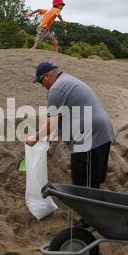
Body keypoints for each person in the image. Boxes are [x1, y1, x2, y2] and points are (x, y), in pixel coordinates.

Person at [26, 62, 116, 191]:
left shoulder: (56, 88)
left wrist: (35, 138)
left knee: (86, 185)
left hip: (90, 138)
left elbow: (52, 120)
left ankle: (89, 210)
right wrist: (52, 134)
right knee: (87, 181)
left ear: (47, 76)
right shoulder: (67, 81)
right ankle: (89, 209)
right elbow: (63, 115)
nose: (42, 86)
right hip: (97, 134)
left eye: (41, 82)